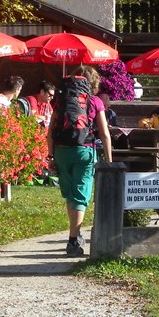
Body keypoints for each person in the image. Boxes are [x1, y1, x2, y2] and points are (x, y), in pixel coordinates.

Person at [48, 65, 113, 257]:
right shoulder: (95, 101)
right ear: (93, 83)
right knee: (80, 196)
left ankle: (74, 233)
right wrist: (109, 162)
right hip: (84, 151)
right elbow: (105, 134)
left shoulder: (61, 100)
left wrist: (51, 156)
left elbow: (50, 132)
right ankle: (73, 240)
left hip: (61, 151)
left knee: (70, 195)